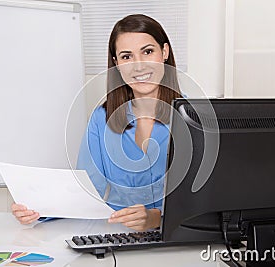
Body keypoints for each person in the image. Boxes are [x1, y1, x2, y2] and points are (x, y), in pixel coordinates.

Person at [12, 14, 182, 231]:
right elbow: (87, 189)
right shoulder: (102, 119)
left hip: (177, 239)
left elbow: (206, 198)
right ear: (117, 64)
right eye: (127, 57)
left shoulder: (196, 117)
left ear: (164, 52)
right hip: (116, 233)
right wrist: (38, 210)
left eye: (147, 52)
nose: (138, 66)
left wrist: (157, 218)